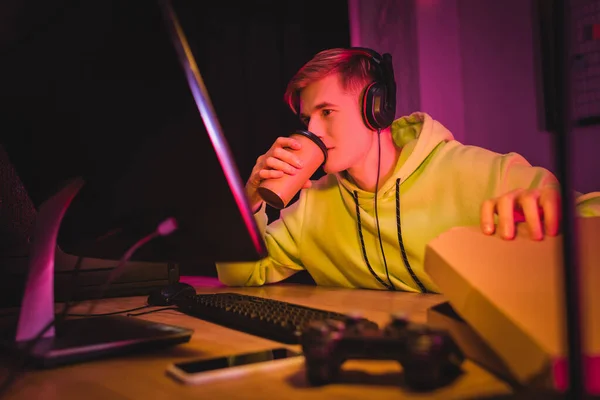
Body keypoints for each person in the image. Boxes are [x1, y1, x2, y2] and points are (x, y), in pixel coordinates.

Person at [215, 47, 600, 293]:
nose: (311, 131)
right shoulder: (313, 208)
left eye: (326, 112)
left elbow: (591, 214)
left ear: (376, 108)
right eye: (305, 118)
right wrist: (248, 199)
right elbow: (241, 275)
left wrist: (550, 209)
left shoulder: (474, 172)